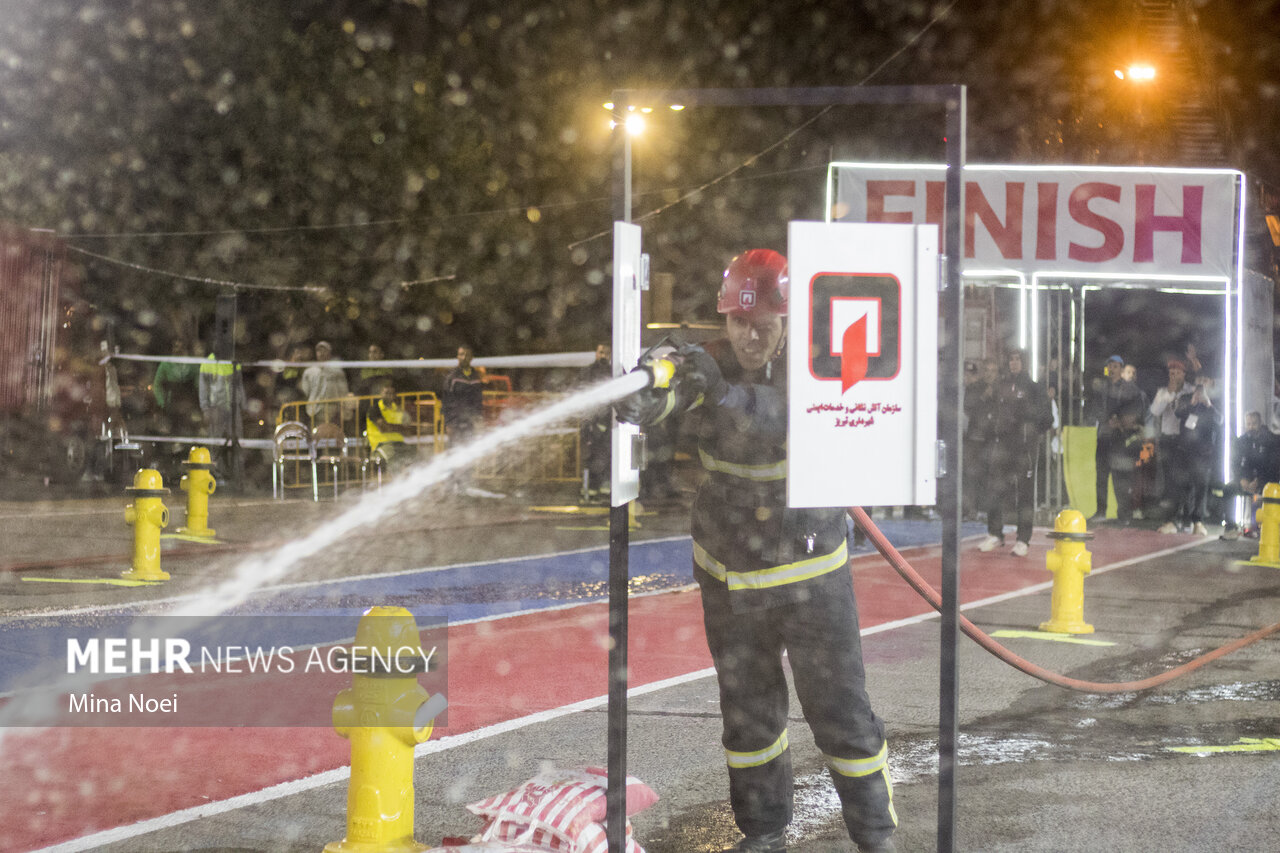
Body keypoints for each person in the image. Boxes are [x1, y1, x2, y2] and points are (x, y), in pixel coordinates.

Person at [616, 249, 897, 853]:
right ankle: (764, 833)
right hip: (731, 575)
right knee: (748, 721)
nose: (749, 335)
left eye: (763, 324)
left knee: (842, 715)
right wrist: (649, 388)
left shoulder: (825, 372)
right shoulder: (713, 369)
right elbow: (677, 402)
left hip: (811, 576)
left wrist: (715, 394)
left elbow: (775, 420)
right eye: (737, 323)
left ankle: (876, 839)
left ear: (790, 320)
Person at [976, 349, 1053, 555]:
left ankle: (1023, 539)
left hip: (1024, 449)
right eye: (1011, 359)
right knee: (995, 490)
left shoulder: (1035, 389)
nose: (1014, 363)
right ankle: (995, 534)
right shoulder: (999, 387)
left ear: (1025, 363)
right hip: (1002, 447)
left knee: (1025, 494)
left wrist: (1031, 431)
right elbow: (986, 413)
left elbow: (1047, 419)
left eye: (1018, 359)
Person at [1161, 377, 1222, 536]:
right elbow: (1177, 412)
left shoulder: (1214, 401)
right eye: (1199, 382)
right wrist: (1192, 404)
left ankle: (1198, 522)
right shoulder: (1186, 398)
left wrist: (1207, 404)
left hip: (1202, 453)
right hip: (1183, 450)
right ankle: (1172, 521)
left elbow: (1219, 421)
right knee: (1177, 485)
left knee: (1200, 487)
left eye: (1205, 381)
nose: (1201, 385)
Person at [1090, 355, 1143, 521]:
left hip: (1120, 437)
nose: (1112, 369)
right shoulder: (1101, 388)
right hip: (1104, 436)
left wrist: (1120, 421)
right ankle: (1100, 511)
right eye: (1109, 366)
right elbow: (1095, 408)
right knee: (1101, 476)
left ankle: (1124, 514)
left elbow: (1135, 409)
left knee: (1121, 478)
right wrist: (1107, 420)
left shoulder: (1130, 389)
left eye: (1115, 366)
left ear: (1121, 368)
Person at [1220, 411, 1280, 539]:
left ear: (1260, 423)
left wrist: (1258, 481)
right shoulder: (1241, 441)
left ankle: (1269, 528)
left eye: (1254, 424)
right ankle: (1230, 528)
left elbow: (1273, 465)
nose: (1251, 427)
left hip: (1267, 482)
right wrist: (1242, 480)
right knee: (1228, 489)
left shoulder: (1271, 440)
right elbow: (1235, 464)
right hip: (1246, 481)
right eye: (1248, 424)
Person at [1149, 359, 1193, 526]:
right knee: (1169, 481)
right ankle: (1170, 518)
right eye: (1171, 373)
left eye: (1176, 373)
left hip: (1186, 439)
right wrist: (1169, 393)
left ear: (1183, 374)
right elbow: (1154, 411)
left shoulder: (1190, 390)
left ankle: (1187, 517)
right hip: (1169, 439)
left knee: (1186, 480)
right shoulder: (1163, 392)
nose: (1173, 376)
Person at [579, 343, 613, 502]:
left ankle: (604, 491)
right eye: (601, 352)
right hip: (591, 424)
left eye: (606, 353)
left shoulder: (613, 373)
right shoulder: (587, 372)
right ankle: (591, 491)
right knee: (591, 458)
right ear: (596, 354)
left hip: (607, 423)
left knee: (607, 457)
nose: (603, 356)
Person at [364, 378, 418, 471]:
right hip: (381, 444)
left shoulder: (398, 409)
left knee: (416, 456)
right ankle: (395, 482)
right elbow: (384, 428)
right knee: (394, 459)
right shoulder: (375, 409)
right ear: (381, 393)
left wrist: (396, 428)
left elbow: (409, 429)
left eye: (392, 393)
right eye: (386, 393)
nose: (389, 396)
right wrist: (401, 428)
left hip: (399, 443)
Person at [152, 339, 201, 435]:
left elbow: (199, 386)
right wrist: (161, 402)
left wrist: (199, 404)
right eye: (176, 347)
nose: (178, 350)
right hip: (172, 405)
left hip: (189, 406)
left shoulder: (193, 365)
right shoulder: (165, 365)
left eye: (181, 347)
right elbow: (157, 385)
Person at [442, 344, 487, 444]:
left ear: (471, 358)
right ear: (457, 357)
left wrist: (479, 419)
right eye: (461, 354)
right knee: (454, 451)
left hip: (470, 422)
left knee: (469, 450)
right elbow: (446, 401)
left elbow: (478, 400)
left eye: (467, 355)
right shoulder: (452, 377)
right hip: (456, 422)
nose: (464, 357)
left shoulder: (476, 377)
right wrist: (448, 424)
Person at [299, 341, 349, 425]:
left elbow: (343, 390)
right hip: (315, 408)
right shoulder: (310, 371)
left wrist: (344, 406)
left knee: (332, 431)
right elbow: (305, 389)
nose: (321, 353)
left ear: (329, 353)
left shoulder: (337, 371)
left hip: (332, 408)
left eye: (324, 351)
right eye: (319, 351)